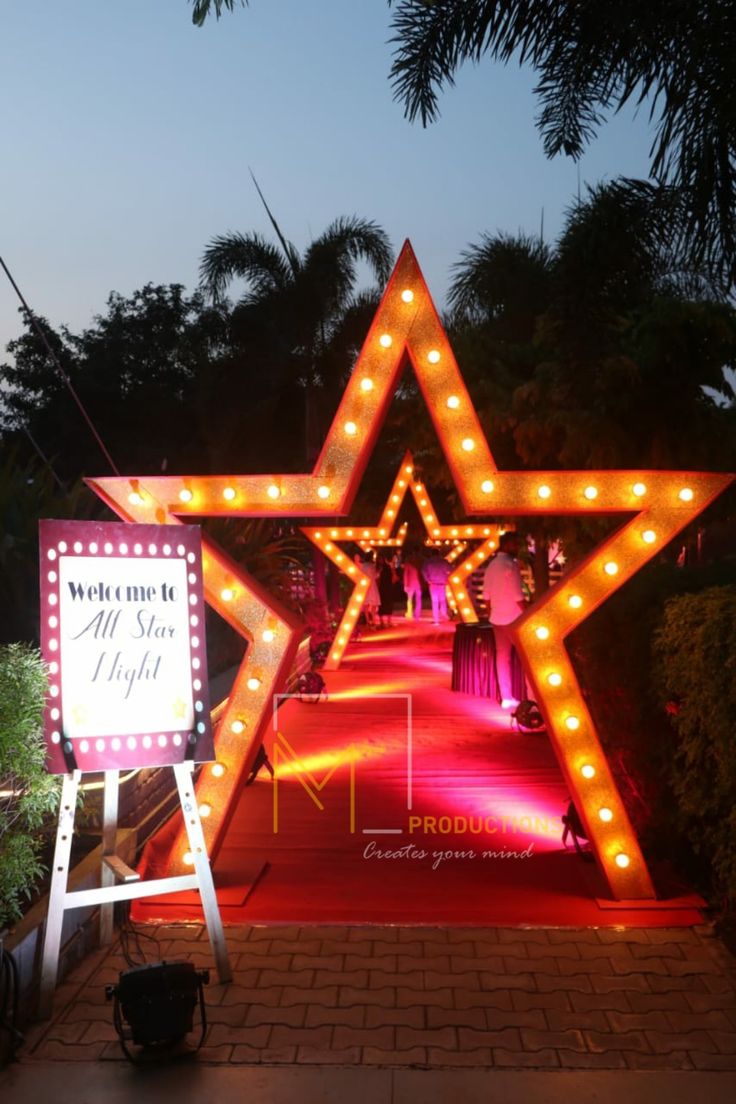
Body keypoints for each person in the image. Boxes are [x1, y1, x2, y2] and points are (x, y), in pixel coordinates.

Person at [482, 531, 526, 708]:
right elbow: (518, 595)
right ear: (507, 545)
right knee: (528, 657)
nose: (517, 547)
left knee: (502, 658)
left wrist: (490, 612)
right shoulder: (510, 565)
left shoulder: (491, 565)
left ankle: (506, 697)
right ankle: (533, 697)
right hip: (514, 618)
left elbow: (486, 595)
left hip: (496, 618)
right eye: (515, 544)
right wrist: (529, 612)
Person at [422, 549, 451, 624]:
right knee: (443, 601)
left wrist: (427, 579)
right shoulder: (444, 561)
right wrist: (447, 578)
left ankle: (436, 620)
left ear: (431, 553)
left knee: (435, 602)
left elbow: (423, 571)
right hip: (442, 583)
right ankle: (444, 616)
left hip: (433, 584)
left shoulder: (428, 562)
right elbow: (450, 570)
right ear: (439, 553)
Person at [357, 553, 380, 627]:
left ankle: (368, 621)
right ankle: (373, 620)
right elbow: (376, 576)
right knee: (374, 604)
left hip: (365, 586)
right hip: (372, 585)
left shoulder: (363, 566)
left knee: (366, 604)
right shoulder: (372, 566)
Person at [376, 554, 398, 628]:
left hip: (387, 587)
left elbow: (393, 578)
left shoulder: (387, 568)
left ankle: (388, 621)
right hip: (382, 588)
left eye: (381, 559)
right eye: (379, 559)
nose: (380, 561)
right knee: (382, 604)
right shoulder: (379, 568)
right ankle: (382, 621)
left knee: (388, 603)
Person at [402, 550, 423, 620]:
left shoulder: (408, 562)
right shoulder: (421, 560)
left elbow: (405, 574)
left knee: (409, 599)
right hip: (419, 583)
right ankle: (417, 614)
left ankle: (409, 613)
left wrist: (405, 584)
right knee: (418, 599)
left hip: (410, 584)